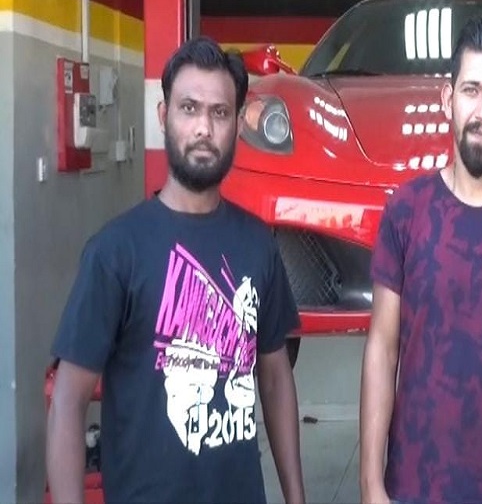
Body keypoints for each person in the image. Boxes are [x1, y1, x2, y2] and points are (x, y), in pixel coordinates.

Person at [46, 37, 305, 504]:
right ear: (164, 117)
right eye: (189, 108)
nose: (204, 127)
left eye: (220, 112)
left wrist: (296, 497)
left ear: (237, 126)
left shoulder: (258, 245)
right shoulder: (115, 252)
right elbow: (68, 400)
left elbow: (274, 379)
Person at [359, 15, 482, 504]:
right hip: (409, 485)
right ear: (448, 99)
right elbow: (382, 348)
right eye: (471, 90)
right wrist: (370, 484)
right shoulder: (406, 210)